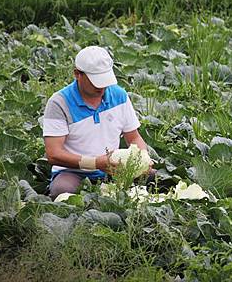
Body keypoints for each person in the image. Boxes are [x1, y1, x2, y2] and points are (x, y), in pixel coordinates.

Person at [42, 45, 153, 199]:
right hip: (74, 171)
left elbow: (133, 137)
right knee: (62, 190)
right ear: (77, 74)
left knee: (154, 178)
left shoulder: (119, 95)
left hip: (114, 168)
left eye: (105, 80)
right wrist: (96, 163)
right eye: (96, 81)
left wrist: (143, 157)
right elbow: (54, 154)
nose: (102, 87)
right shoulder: (59, 103)